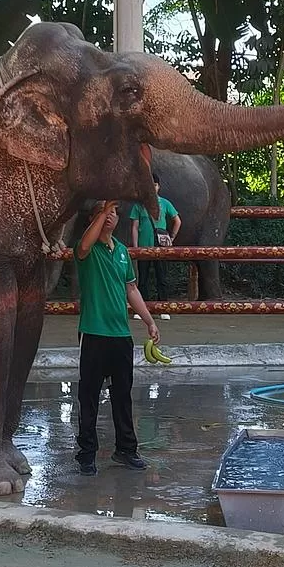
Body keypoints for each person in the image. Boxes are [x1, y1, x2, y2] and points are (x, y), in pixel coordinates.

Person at [74, 200, 159, 476]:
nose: (109, 216)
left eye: (112, 212)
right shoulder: (85, 249)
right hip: (94, 333)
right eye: (103, 212)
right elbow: (85, 245)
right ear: (93, 217)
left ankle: (126, 449)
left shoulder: (122, 251)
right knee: (88, 397)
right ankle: (86, 454)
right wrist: (101, 209)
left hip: (121, 335)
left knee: (123, 396)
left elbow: (131, 289)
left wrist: (148, 320)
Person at [129, 175, 181, 315]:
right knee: (143, 279)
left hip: (161, 247)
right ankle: (142, 309)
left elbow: (177, 220)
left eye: (155, 184)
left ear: (159, 186)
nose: (153, 187)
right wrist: (135, 246)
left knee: (162, 278)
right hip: (143, 246)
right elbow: (135, 226)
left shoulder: (165, 203)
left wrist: (171, 238)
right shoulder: (138, 206)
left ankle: (163, 307)